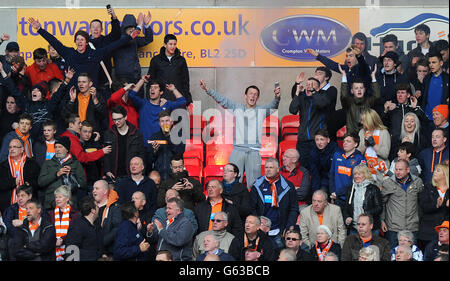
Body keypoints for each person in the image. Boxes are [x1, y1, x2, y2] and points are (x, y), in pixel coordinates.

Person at [200, 80, 280, 189]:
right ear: (245, 96)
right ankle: (231, 205)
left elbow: (274, 105)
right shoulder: (237, 108)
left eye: (256, 94)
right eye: (251, 93)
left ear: (258, 98)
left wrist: (277, 97)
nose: (253, 96)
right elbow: (223, 100)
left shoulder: (261, 111)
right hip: (237, 150)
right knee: (232, 181)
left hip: (253, 152)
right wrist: (208, 90)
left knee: (255, 184)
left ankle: (253, 205)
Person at [27, 17, 141, 88]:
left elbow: (113, 45)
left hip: (91, 95)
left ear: (87, 42)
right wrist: (39, 29)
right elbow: (54, 42)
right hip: (74, 95)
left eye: (82, 39)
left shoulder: (95, 54)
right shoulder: (69, 53)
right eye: (77, 39)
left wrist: (129, 37)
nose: (79, 41)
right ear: (75, 42)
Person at [0, 61, 74, 140]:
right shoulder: (26, 104)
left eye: (38, 90)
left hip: (44, 142)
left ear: (42, 94)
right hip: (28, 141)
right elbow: (13, 89)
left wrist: (67, 80)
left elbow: (58, 94)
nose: (34, 92)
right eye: (33, 90)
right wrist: (2, 71)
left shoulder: (49, 105)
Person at [250, 157, 298, 248]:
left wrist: (288, 227)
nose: (268, 170)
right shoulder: (257, 185)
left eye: (271, 167)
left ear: (277, 169)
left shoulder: (288, 186)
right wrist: (258, 224)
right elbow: (252, 207)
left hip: (279, 230)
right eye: (266, 167)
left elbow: (294, 208)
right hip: (261, 229)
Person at [129, 77, 186, 152]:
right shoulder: (143, 104)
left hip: (162, 146)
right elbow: (131, 95)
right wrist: (142, 80)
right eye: (151, 88)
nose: (152, 89)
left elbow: (183, 102)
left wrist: (174, 90)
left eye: (155, 88)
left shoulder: (166, 104)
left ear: (161, 92)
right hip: (144, 146)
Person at [381, 159, 424, 249]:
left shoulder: (417, 182)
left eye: (400, 169)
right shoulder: (388, 183)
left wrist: (418, 219)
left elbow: (421, 203)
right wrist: (382, 220)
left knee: (412, 254)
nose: (397, 172)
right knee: (394, 255)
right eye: (396, 169)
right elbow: (382, 203)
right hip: (394, 227)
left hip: (412, 227)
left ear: (408, 170)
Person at [289, 75, 330, 170]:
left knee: (317, 169)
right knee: (303, 169)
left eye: (312, 85)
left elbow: (321, 104)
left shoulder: (323, 96)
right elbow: (292, 110)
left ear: (318, 88)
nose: (309, 87)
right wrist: (297, 91)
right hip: (303, 141)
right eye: (307, 85)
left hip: (317, 141)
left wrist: (313, 92)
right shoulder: (302, 98)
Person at [37, 136, 86, 210]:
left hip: (70, 205)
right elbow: (40, 182)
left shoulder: (75, 163)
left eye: (60, 147)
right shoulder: (48, 163)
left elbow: (83, 183)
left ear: (67, 149)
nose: (57, 150)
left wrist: (71, 175)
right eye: (56, 147)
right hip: (51, 204)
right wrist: (56, 174)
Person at [381, 83, 428, 159]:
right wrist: (385, 111)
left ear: (408, 95)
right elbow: (382, 125)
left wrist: (415, 108)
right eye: (398, 93)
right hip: (395, 146)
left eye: (402, 93)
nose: (400, 95)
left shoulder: (414, 108)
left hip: (413, 146)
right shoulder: (392, 110)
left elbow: (426, 122)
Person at [147, 34, 192, 105]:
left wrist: (189, 101)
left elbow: (185, 82)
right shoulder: (156, 60)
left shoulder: (181, 60)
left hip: (177, 100)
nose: (173, 46)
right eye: (170, 44)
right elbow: (150, 81)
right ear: (165, 45)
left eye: (174, 44)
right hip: (161, 100)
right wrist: (149, 100)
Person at [104, 105, 145, 182]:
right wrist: (107, 171)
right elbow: (106, 154)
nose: (116, 122)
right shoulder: (109, 134)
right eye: (114, 119)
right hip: (114, 176)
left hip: (132, 175)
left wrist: (140, 173)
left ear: (125, 117)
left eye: (119, 119)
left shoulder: (136, 134)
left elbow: (141, 155)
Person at [112, 12, 154, 85]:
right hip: (122, 77)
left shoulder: (135, 39)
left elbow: (148, 39)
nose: (132, 29)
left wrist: (146, 25)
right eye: (130, 27)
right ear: (124, 28)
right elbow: (127, 39)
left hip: (135, 75)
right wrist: (139, 26)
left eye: (134, 27)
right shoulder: (118, 38)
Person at [306, 45, 372, 92]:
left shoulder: (362, 69)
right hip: (349, 106)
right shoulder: (346, 69)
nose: (348, 58)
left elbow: (363, 64)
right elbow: (332, 65)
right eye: (347, 56)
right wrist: (317, 55)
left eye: (351, 56)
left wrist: (359, 56)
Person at [0, 138, 40, 214]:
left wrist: (28, 184)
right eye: (10, 147)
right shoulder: (2, 166)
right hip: (7, 206)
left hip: (29, 205)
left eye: (15, 147)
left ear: (22, 149)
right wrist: (13, 182)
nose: (12, 149)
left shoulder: (32, 164)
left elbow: (38, 182)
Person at [338, 64, 380, 135]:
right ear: (352, 91)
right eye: (356, 88)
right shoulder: (349, 102)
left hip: (367, 134)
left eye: (361, 88)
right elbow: (344, 96)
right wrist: (344, 76)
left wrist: (373, 77)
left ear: (364, 90)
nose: (359, 90)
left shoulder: (368, 101)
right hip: (352, 135)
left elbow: (377, 96)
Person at [329, 133, 367, 210]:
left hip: (352, 197)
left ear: (355, 144)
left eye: (348, 141)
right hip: (336, 197)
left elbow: (358, 180)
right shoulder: (337, 155)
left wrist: (338, 192)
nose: (345, 143)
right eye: (344, 141)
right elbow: (331, 174)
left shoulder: (360, 159)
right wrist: (332, 191)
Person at [89, 6, 121, 94]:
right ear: (90, 29)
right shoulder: (85, 43)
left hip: (105, 85)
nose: (95, 29)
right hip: (90, 86)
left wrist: (113, 16)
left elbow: (116, 32)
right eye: (93, 27)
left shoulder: (106, 40)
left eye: (98, 27)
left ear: (102, 29)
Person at [343, 164, 383, 235]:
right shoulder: (350, 189)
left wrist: (365, 214)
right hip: (354, 228)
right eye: (355, 174)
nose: (356, 176)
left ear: (365, 175)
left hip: (371, 228)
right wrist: (347, 217)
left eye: (359, 174)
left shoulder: (373, 189)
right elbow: (346, 208)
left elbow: (379, 208)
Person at [418, 164, 449, 250]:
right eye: (435, 170)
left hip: (446, 234)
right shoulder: (428, 187)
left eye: (438, 170)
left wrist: (447, 207)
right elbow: (423, 206)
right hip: (428, 232)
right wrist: (436, 205)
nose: (434, 172)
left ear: (445, 174)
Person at [148, 110, 185, 180]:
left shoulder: (179, 136)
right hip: (159, 176)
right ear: (159, 123)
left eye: (167, 121)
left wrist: (169, 136)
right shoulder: (154, 137)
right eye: (162, 121)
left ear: (172, 122)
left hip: (174, 175)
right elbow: (149, 160)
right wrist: (155, 151)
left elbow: (180, 153)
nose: (165, 123)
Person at [64, 196, 103, 261]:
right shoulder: (77, 226)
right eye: (97, 206)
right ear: (93, 210)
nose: (99, 208)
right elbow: (71, 250)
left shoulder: (97, 226)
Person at [47, 185, 78, 261]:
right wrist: (55, 241)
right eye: (56, 197)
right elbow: (48, 232)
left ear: (67, 198)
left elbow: (76, 232)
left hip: (71, 250)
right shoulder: (51, 214)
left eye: (60, 197)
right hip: (53, 250)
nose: (57, 199)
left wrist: (62, 239)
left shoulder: (75, 214)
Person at [2, 184, 33, 260]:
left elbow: (40, 222)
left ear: (30, 196)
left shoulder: (37, 208)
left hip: (33, 237)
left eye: (23, 196)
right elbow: (8, 225)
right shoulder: (12, 209)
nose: (20, 198)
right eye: (18, 196)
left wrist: (23, 223)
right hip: (16, 239)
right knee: (12, 242)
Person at [92, 179, 121, 258]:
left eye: (97, 189)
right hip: (92, 250)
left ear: (105, 191)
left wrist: (102, 243)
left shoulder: (115, 208)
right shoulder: (89, 206)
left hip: (109, 252)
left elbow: (116, 228)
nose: (94, 191)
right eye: (93, 189)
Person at [309, 129, 338, 195]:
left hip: (336, 181)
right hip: (323, 181)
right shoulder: (313, 153)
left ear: (328, 140)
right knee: (320, 195)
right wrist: (315, 192)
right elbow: (315, 174)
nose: (319, 142)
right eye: (317, 140)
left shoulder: (336, 151)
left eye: (322, 139)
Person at [422, 52, 449, 121]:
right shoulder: (426, 79)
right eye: (430, 63)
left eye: (434, 62)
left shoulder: (447, 79)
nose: (431, 65)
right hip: (427, 118)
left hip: (443, 119)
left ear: (441, 63)